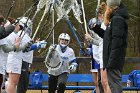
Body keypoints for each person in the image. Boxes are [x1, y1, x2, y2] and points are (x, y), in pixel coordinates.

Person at [103, 0, 129, 92]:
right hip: (112, 58)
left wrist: (111, 61)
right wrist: (96, 29)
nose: (105, 8)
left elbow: (117, 42)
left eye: (107, 6)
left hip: (114, 59)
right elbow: (109, 38)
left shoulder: (117, 19)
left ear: (111, 7)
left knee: (114, 83)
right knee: (113, 84)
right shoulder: (115, 18)